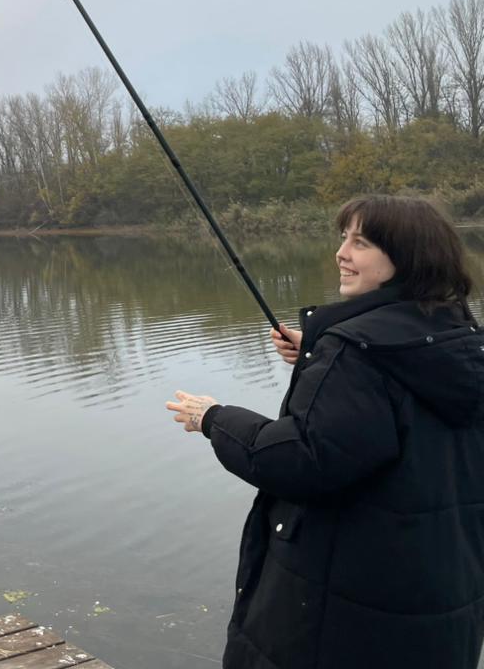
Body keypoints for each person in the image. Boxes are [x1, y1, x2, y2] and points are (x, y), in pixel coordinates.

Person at [166, 194, 484, 668]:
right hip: (437, 595)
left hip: (345, 607)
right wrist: (315, 349)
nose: (341, 253)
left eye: (360, 242)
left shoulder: (356, 352)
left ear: (406, 260)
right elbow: (390, 404)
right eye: (343, 238)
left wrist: (213, 418)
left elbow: (300, 460)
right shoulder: (458, 336)